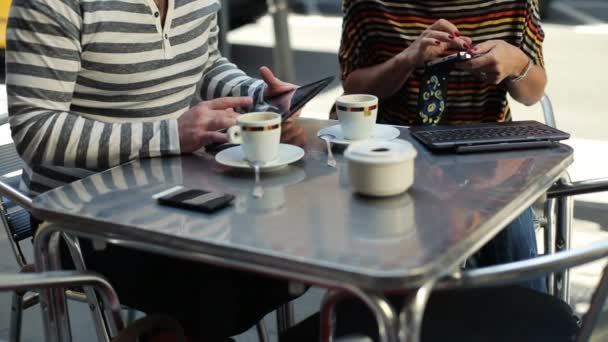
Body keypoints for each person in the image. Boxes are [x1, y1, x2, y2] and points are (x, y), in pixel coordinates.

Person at [6, 0, 302, 340]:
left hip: (179, 196)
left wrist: (259, 97)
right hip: (80, 221)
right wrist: (169, 135)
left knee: (290, 261)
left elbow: (204, 66)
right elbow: (36, 130)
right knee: (210, 294)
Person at [338, 0, 547, 292]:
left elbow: (533, 92)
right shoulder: (367, 5)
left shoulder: (517, 4)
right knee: (387, 274)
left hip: (488, 159)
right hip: (395, 160)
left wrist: (517, 64)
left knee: (512, 245)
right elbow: (354, 89)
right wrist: (407, 59)